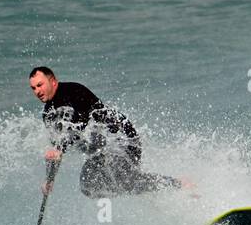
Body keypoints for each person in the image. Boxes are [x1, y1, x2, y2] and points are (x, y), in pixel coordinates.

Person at [28, 66, 191, 198]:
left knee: (125, 180)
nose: (37, 91)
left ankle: (180, 184)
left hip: (121, 138)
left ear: (53, 81)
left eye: (40, 85)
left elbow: (80, 121)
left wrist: (60, 148)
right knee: (88, 186)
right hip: (102, 152)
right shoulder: (48, 115)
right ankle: (148, 190)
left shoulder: (74, 91)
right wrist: (50, 180)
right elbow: (56, 149)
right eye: (33, 88)